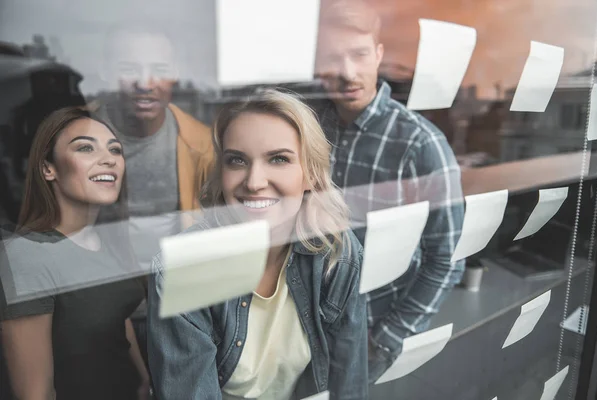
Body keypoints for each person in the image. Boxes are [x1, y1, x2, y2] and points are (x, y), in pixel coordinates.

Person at [147, 90, 368, 399]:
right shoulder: (183, 269)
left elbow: (349, 385)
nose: (253, 182)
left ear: (311, 176)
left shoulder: (336, 254)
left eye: (279, 159)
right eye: (237, 160)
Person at [314, 0, 465, 382]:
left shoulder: (420, 144)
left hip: (369, 334)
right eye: (333, 58)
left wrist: (383, 342)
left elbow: (446, 259)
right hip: (307, 329)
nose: (348, 73)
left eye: (360, 54)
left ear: (378, 55)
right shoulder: (309, 131)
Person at [0, 107, 149, 399]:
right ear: (48, 169)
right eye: (85, 148)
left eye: (115, 150)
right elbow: (35, 394)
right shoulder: (27, 256)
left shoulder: (107, 241)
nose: (109, 159)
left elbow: (118, 316)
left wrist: (145, 381)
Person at [91, 22, 215, 365]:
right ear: (104, 71)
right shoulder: (75, 138)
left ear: (175, 74)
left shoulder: (201, 144)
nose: (144, 82)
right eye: (129, 68)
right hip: (103, 316)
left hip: (182, 310)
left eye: (159, 69)